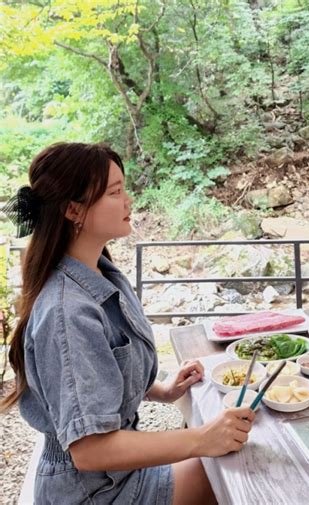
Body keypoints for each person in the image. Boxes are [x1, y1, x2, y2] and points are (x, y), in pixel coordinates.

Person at [0, 142, 255, 504]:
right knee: (234, 476)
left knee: (231, 463)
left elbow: (94, 377)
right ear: (74, 210)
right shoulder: (67, 311)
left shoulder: (101, 273)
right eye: (115, 192)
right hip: (92, 490)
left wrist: (160, 390)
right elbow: (89, 451)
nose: (128, 201)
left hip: (112, 476)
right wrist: (201, 437)